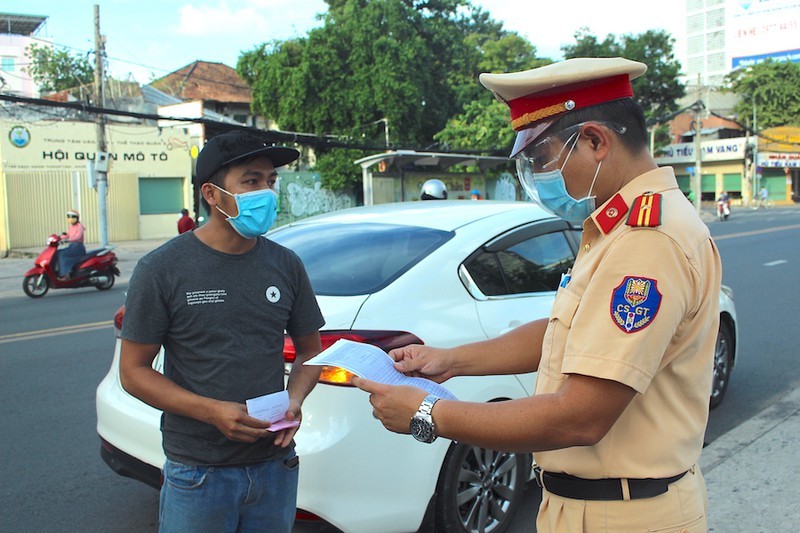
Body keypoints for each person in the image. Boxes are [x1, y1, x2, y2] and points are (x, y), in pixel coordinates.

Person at [353, 57, 722, 532]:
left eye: (542, 159)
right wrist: (450, 360)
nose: (536, 178)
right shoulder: (616, 226)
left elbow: (580, 418)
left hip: (625, 515)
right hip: (591, 507)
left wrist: (428, 413)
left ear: (595, 141)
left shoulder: (647, 239)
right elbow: (564, 333)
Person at [119, 131, 325, 532]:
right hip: (198, 472)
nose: (266, 192)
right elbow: (134, 372)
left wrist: (295, 399)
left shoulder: (286, 265)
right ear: (212, 195)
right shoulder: (161, 269)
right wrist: (212, 412)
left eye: (270, 182)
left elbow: (310, 353)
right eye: (251, 181)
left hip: (275, 467)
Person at [57, 209, 86, 279]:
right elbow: (67, 235)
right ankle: (59, 272)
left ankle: (66, 274)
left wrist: (68, 240)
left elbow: (78, 236)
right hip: (72, 246)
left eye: (72, 217)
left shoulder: (80, 226)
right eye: (69, 217)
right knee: (57, 253)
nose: (70, 219)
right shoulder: (72, 227)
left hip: (78, 247)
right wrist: (58, 237)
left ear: (77, 218)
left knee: (62, 254)